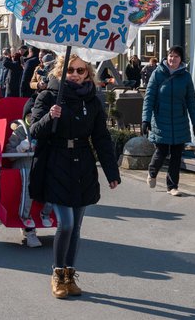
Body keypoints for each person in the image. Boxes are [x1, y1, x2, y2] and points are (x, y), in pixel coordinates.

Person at [30, 54, 120, 299]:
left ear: (88, 73)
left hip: (82, 164)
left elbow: (101, 138)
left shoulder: (92, 100)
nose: (76, 74)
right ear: (61, 70)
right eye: (70, 69)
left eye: (81, 71)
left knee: (77, 227)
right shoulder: (48, 96)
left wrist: (112, 172)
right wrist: (51, 116)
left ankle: (70, 275)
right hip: (56, 162)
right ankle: (57, 274)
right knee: (66, 223)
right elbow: (33, 130)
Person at [141, 46, 195, 196]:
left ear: (181, 59)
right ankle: (152, 172)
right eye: (170, 56)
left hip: (179, 121)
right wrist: (145, 120)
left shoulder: (185, 76)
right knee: (161, 151)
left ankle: (172, 186)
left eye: (176, 56)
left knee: (176, 155)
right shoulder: (157, 74)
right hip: (161, 119)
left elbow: (191, 100)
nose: (172, 59)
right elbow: (149, 98)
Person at [4, 100, 53, 248]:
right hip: (23, 167)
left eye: (36, 115)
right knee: (27, 188)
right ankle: (28, 227)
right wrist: (20, 148)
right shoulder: (19, 131)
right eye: (30, 115)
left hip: (40, 167)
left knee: (52, 185)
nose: (33, 118)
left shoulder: (45, 129)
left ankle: (46, 213)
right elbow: (9, 154)